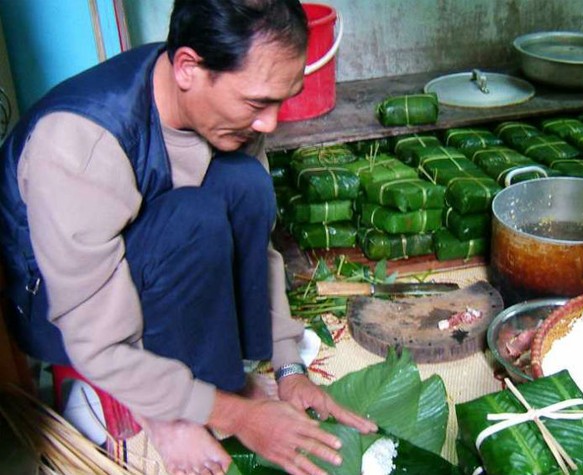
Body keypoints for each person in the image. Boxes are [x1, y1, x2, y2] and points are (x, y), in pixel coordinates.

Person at [0, 1, 377, 474]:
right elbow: (95, 342)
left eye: (283, 99)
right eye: (258, 103)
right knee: (192, 218)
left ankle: (211, 384)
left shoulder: (231, 112)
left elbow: (258, 248)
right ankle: (168, 416)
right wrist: (236, 415)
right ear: (188, 69)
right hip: (63, 313)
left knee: (246, 184)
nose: (271, 123)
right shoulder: (81, 141)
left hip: (150, 254)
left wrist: (288, 368)